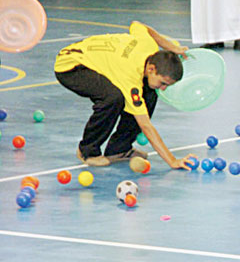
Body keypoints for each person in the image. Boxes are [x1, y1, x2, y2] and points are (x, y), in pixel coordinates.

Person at [54, 21, 197, 169]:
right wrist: (172, 161)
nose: (164, 88)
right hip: (70, 65)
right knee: (113, 98)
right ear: (152, 69)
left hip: (96, 59)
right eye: (163, 83)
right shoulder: (130, 77)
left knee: (150, 93)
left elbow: (139, 25)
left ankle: (119, 149)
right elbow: (145, 125)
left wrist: (172, 48)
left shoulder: (149, 47)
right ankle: (88, 151)